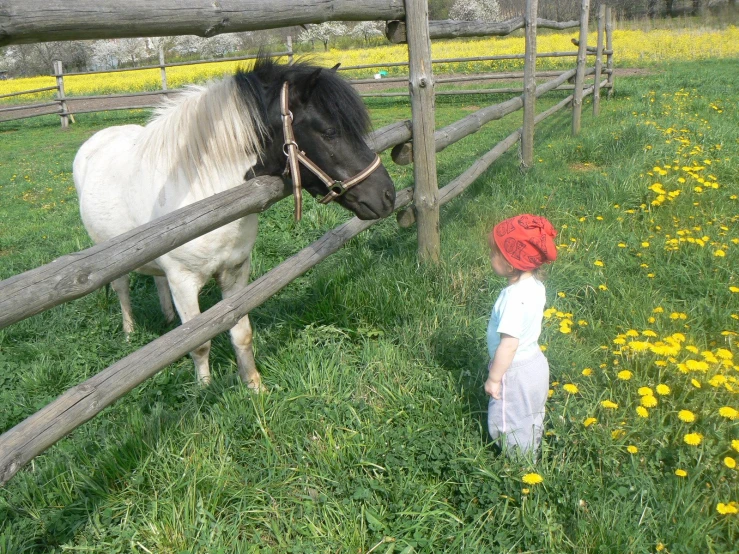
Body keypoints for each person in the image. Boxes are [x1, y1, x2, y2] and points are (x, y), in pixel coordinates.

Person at [484, 214, 557, 458]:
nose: (490, 257)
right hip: (536, 362)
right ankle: (533, 450)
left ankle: (517, 466)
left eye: (494, 253)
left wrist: (495, 378)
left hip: (514, 371)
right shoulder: (536, 286)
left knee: (508, 421)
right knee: (531, 413)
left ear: (510, 263)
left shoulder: (512, 297)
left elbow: (509, 344)